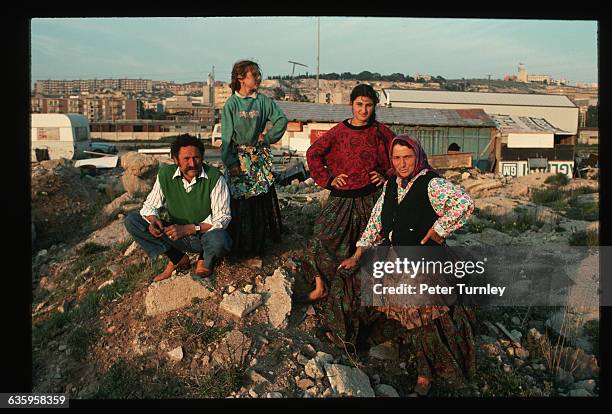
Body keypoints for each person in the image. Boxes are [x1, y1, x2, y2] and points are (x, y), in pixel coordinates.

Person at [338, 134, 476, 395]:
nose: (402, 163)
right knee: (360, 285)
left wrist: (439, 229)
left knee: (421, 314)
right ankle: (380, 343)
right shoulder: (391, 185)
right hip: (395, 258)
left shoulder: (431, 184)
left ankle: (426, 372)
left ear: (417, 156)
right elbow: (376, 222)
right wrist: (357, 255)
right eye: (396, 158)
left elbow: (465, 203)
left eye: (407, 157)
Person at [301, 84, 396, 340]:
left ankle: (358, 309)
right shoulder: (339, 131)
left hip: (372, 201)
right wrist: (329, 179)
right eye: (359, 104)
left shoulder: (380, 132)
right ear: (351, 105)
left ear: (374, 106)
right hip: (341, 200)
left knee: (368, 253)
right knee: (322, 241)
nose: (364, 110)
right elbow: (313, 153)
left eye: (369, 105)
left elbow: (401, 155)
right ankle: (322, 288)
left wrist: (386, 174)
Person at [124, 134, 232, 282]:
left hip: (205, 234)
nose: (192, 163)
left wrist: (190, 228)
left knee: (220, 239)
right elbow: (150, 205)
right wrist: (153, 219)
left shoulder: (215, 178)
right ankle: (177, 258)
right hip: (177, 234)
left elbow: (222, 218)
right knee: (132, 221)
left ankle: (205, 259)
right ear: (175, 160)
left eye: (196, 158)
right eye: (186, 159)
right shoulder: (165, 174)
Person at [221, 60, 288, 255]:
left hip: (259, 159)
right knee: (241, 202)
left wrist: (267, 138)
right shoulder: (231, 104)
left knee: (259, 201)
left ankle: (259, 245)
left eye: (259, 74)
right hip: (238, 160)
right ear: (240, 78)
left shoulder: (263, 101)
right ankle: (241, 247)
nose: (259, 78)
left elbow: (281, 119)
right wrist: (230, 162)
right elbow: (226, 137)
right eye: (254, 75)